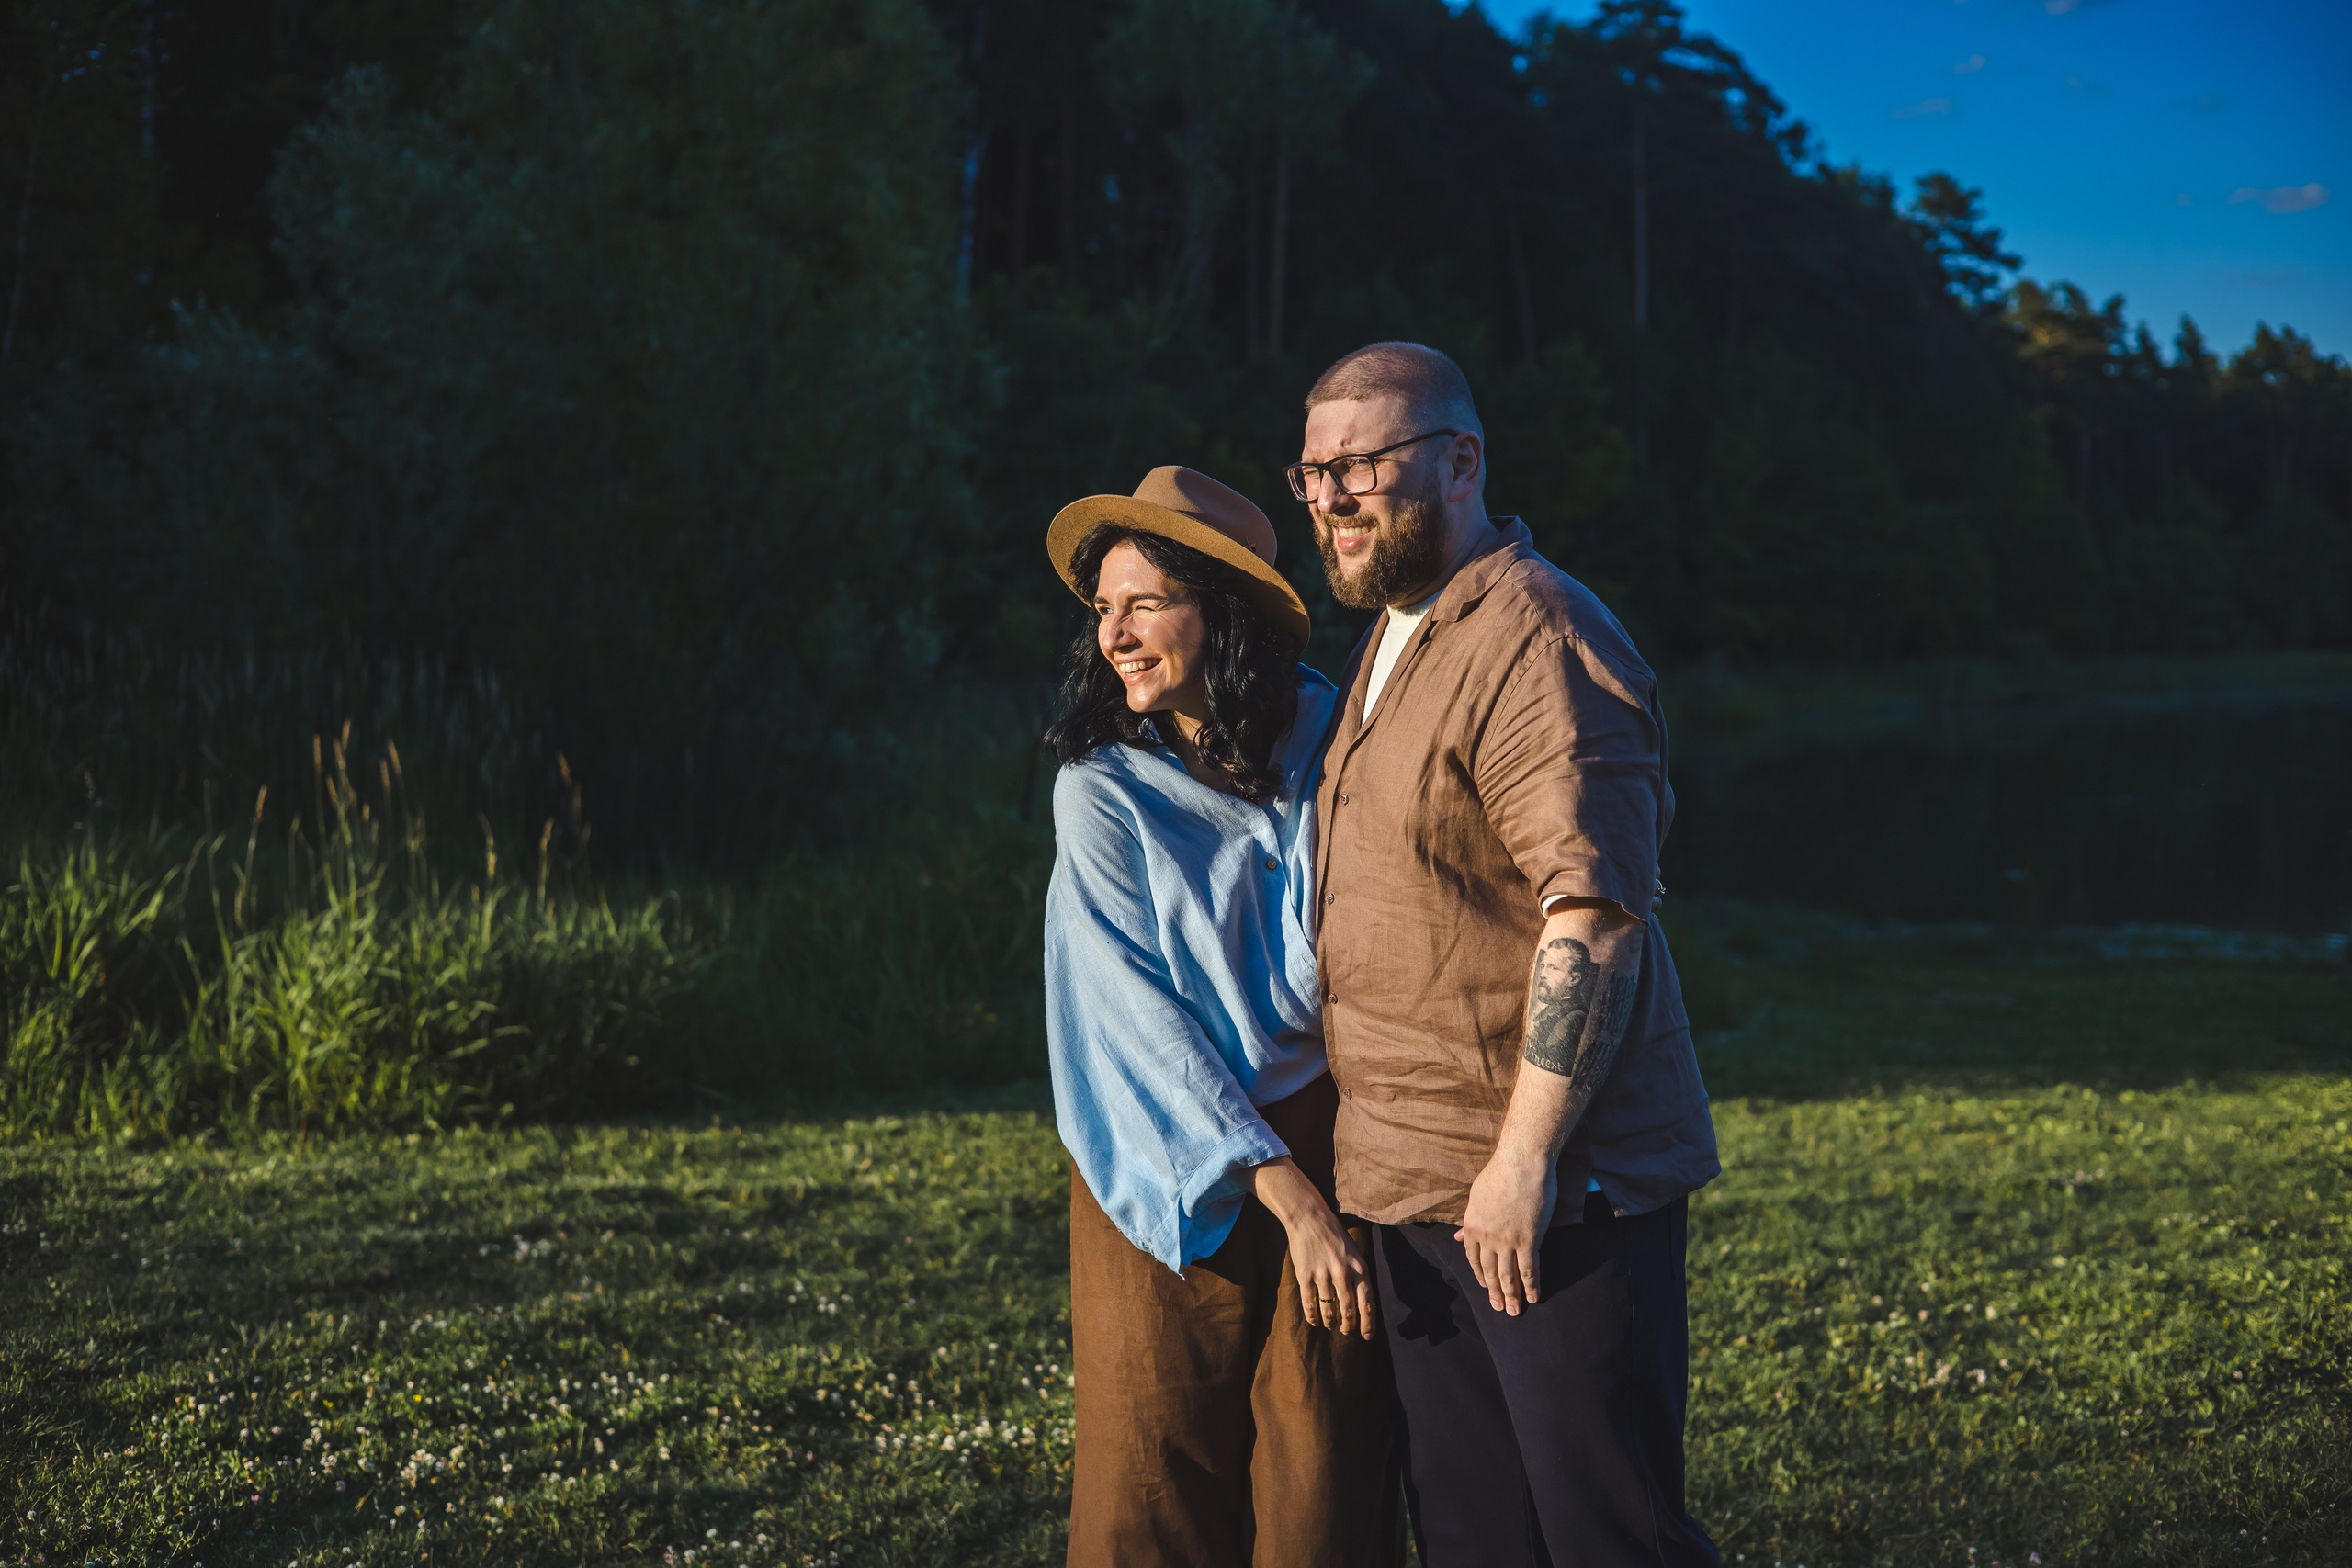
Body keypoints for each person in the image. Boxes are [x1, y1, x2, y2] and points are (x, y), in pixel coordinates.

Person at [1291, 343, 1723, 1567]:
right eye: (1313, 472)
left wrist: (1525, 1158)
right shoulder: (1390, 638)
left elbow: (1594, 915)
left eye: (1361, 464)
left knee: (1610, 1533)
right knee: (1483, 1536)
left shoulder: (1538, 633)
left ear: (1461, 460)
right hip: (1409, 1185)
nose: (1330, 497)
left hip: (1548, 1194)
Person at [1041, 465, 1403, 1568]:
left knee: (1325, 1474)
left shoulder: (1330, 741)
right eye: (1103, 609)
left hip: (1328, 1133)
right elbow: (1131, 1016)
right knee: (1151, 1481)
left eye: (1145, 603)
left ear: (1221, 611)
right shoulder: (1101, 790)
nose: (1116, 634)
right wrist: (1280, 1188)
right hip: (1162, 1148)